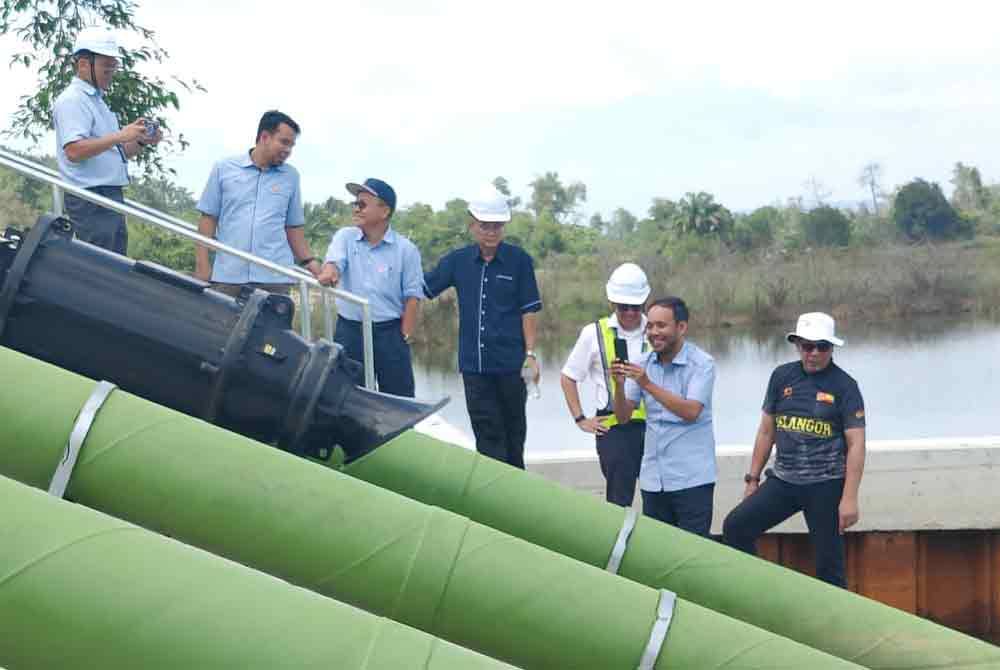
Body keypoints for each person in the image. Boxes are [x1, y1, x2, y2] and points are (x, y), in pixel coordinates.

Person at [722, 312, 865, 587]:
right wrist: (752, 479)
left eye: (821, 347)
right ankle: (759, 591)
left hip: (826, 485)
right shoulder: (781, 377)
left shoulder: (845, 386)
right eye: (806, 346)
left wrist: (849, 498)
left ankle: (835, 623)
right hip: (783, 482)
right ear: (797, 344)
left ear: (831, 348)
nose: (813, 353)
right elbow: (766, 431)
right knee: (736, 527)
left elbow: (856, 444)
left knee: (829, 567)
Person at [423, 185, 542, 468]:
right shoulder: (457, 261)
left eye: (497, 226)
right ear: (473, 225)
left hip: (512, 366)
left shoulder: (519, 261)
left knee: (514, 436)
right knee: (487, 437)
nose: (491, 232)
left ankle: (515, 501)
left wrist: (531, 355)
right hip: (475, 368)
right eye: (485, 226)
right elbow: (422, 288)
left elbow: (529, 311)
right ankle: (494, 500)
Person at [52, 26, 162, 255]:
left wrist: (140, 140)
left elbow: (115, 153)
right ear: (83, 64)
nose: (111, 72)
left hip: (109, 194)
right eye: (106, 66)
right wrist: (121, 135)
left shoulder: (97, 102)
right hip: (90, 197)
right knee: (99, 270)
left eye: (113, 66)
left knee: (114, 266)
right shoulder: (72, 100)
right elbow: (73, 151)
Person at [611, 297, 716, 536]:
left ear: (681, 327)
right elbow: (624, 416)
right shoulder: (642, 362)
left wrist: (646, 383)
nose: (654, 332)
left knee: (692, 554)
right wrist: (618, 385)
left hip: (692, 480)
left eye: (661, 326)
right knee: (660, 556)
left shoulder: (702, 364)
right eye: (650, 326)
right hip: (653, 480)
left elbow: (691, 411)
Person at [194, 110, 321, 296]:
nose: (288, 150)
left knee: (274, 326)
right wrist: (202, 264)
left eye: (292, 145)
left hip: (274, 278)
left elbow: (293, 227)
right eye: (284, 142)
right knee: (221, 325)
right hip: (228, 276)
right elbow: (208, 218)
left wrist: (309, 261)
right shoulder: (224, 168)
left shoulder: (290, 177)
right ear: (264, 137)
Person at [316, 178, 422, 397]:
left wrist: (404, 336)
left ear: (384, 211)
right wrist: (329, 272)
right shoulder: (345, 237)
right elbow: (334, 263)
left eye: (362, 204)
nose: (356, 208)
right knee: (346, 396)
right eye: (355, 203)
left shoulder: (406, 250)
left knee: (397, 398)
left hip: (389, 333)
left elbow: (412, 297)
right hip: (350, 330)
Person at [560, 263, 650, 506]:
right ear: (612, 303)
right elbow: (568, 377)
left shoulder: (656, 330)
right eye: (623, 307)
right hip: (614, 430)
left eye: (635, 306)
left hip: (655, 428)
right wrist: (580, 418)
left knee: (658, 500)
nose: (630, 313)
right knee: (619, 503)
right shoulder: (594, 333)